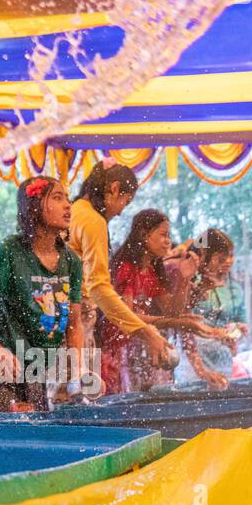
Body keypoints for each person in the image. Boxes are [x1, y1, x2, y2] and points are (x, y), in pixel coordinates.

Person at [0, 176, 84, 412]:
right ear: (34, 206)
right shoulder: (9, 251)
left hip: (35, 367)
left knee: (35, 435)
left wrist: (77, 370)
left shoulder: (71, 261)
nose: (68, 205)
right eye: (58, 198)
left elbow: (74, 322)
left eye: (68, 199)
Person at [67, 159, 173, 387]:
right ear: (114, 189)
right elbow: (98, 289)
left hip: (63, 318)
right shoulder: (93, 221)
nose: (122, 209)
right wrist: (146, 332)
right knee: (78, 395)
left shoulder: (75, 211)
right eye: (126, 200)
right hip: (76, 321)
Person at [103, 209, 224, 393]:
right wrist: (176, 323)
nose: (168, 241)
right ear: (144, 235)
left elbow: (172, 311)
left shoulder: (150, 272)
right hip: (118, 352)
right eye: (163, 235)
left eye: (169, 235)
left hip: (141, 348)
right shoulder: (127, 268)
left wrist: (184, 280)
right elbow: (126, 317)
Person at [176, 229, 247, 390]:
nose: (226, 263)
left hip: (219, 360)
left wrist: (235, 332)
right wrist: (202, 371)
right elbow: (184, 327)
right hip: (192, 363)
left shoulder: (233, 288)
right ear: (203, 255)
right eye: (221, 259)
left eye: (229, 257)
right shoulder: (185, 278)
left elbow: (241, 324)